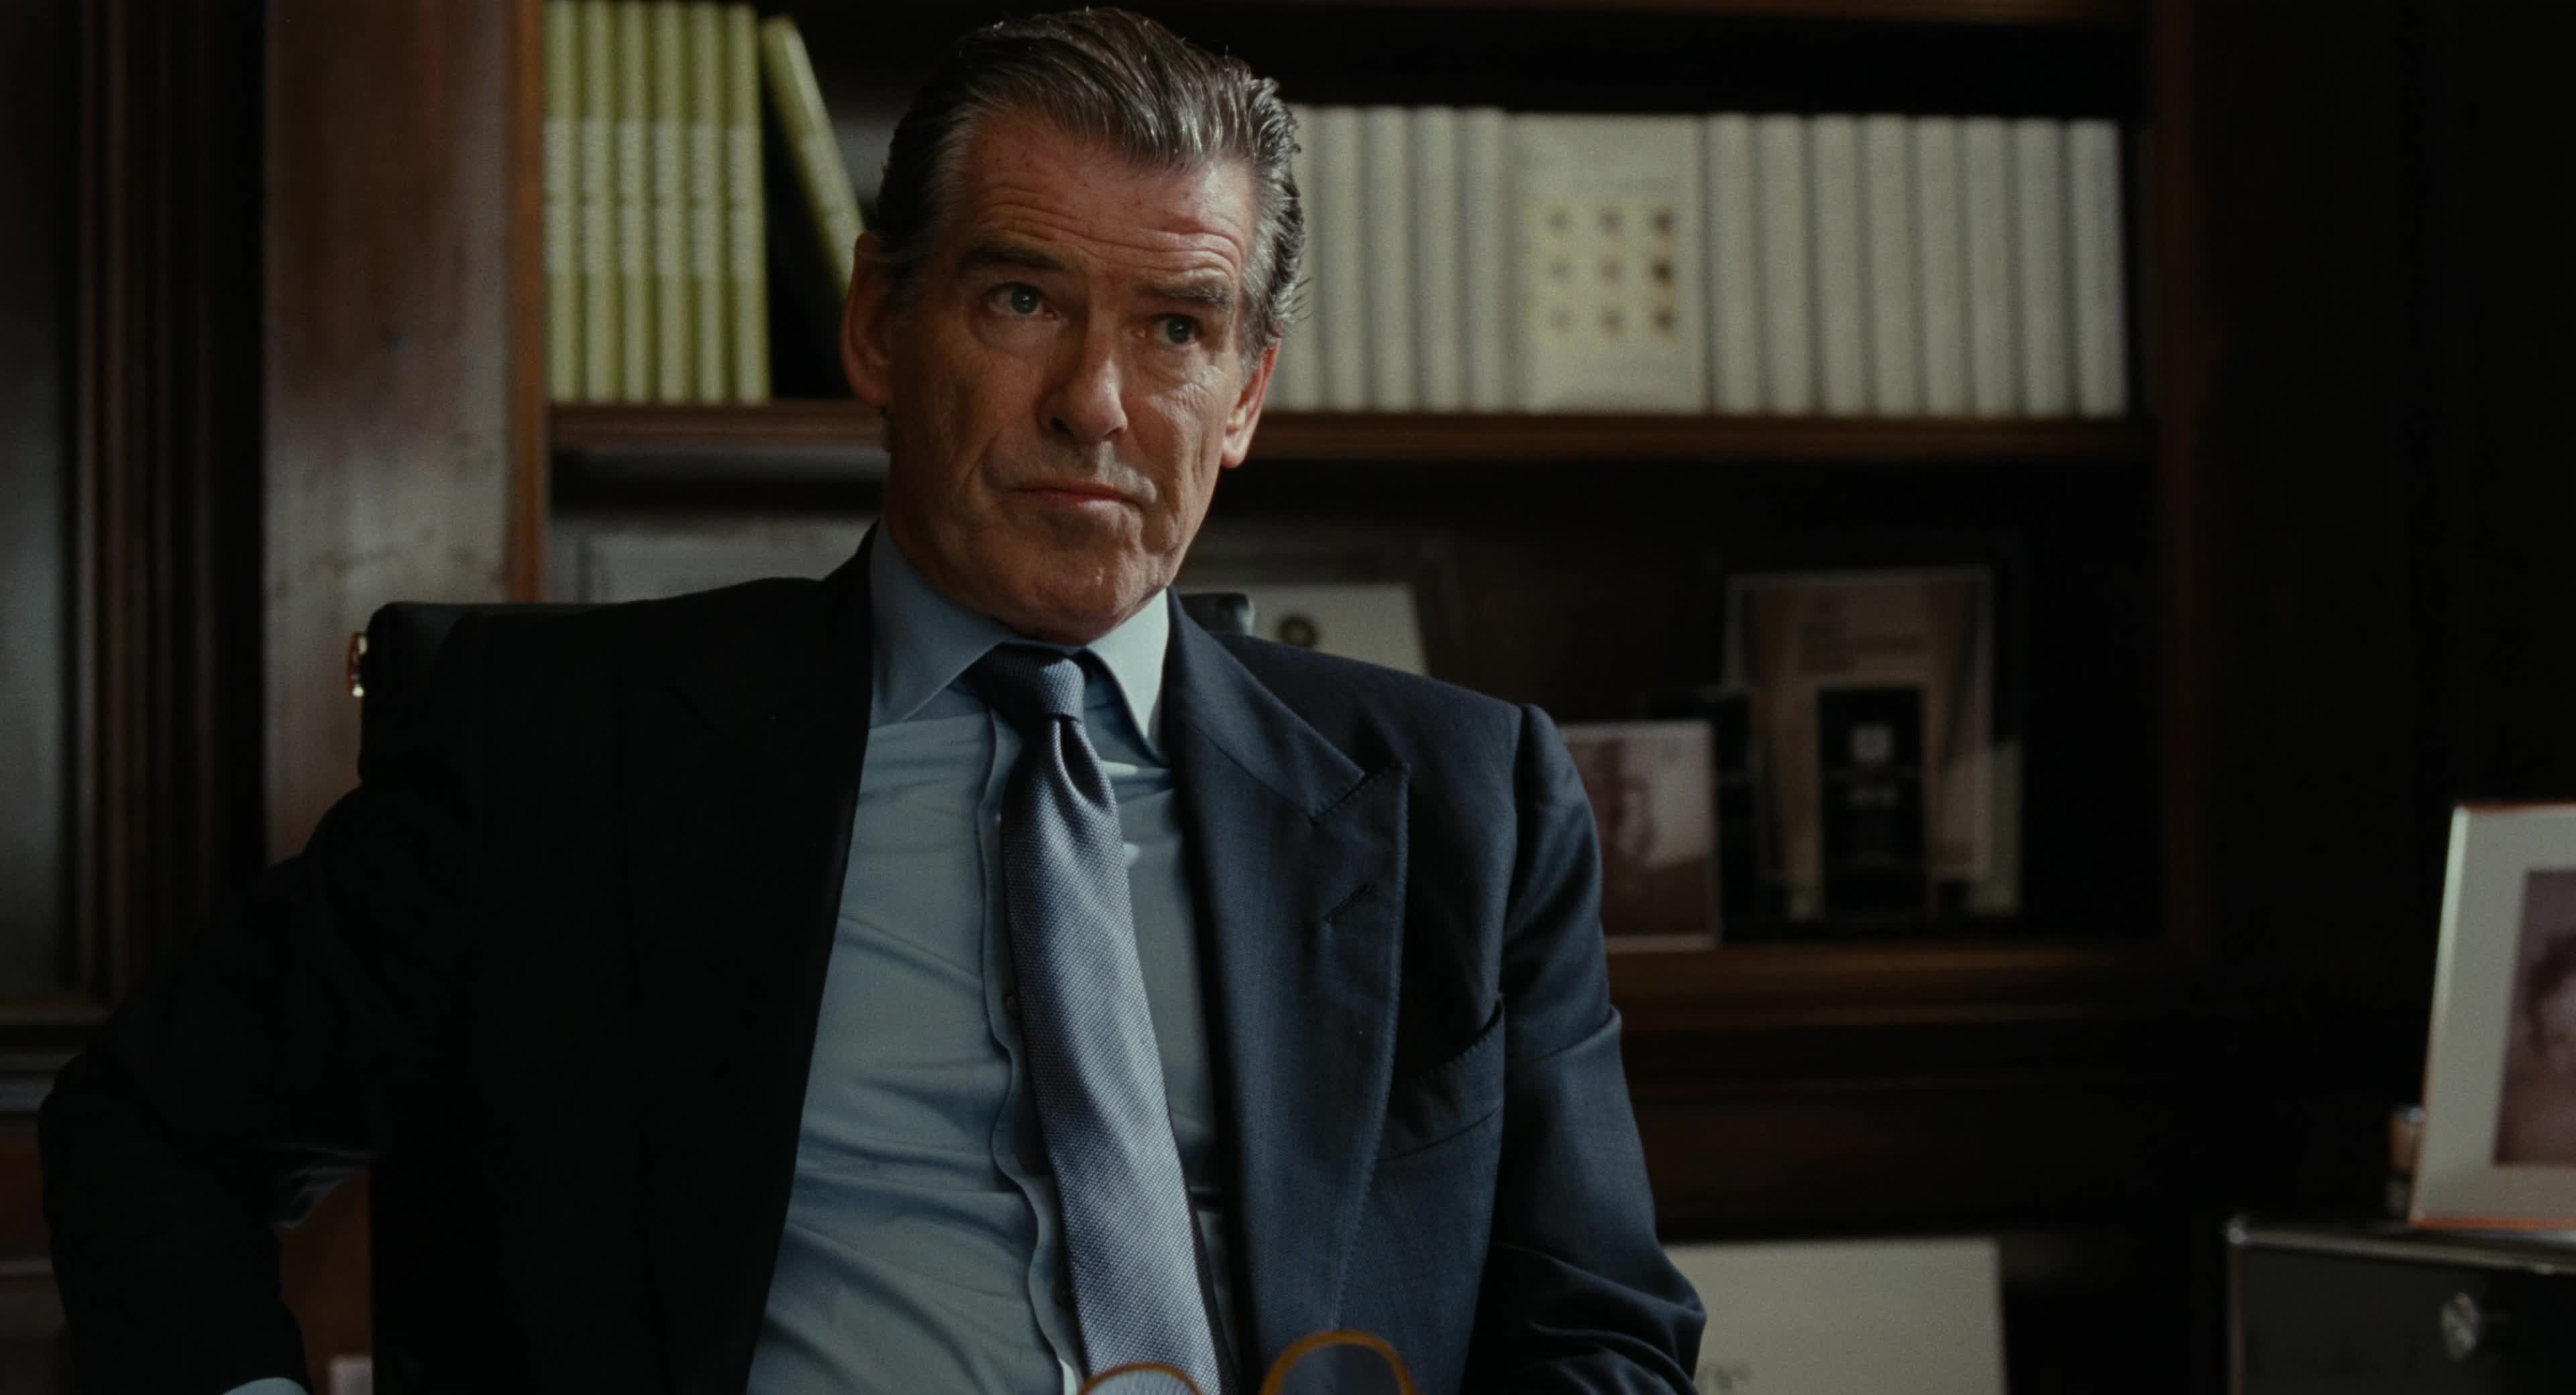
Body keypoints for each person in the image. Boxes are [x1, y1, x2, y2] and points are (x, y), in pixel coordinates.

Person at [38, 11, 1703, 1394]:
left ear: (1248, 391)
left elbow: (1604, 1333)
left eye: (1176, 328)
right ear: (879, 325)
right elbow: (150, 1131)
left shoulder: (1465, 800)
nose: (1095, 403)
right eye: (1022, 299)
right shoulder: (557, 749)